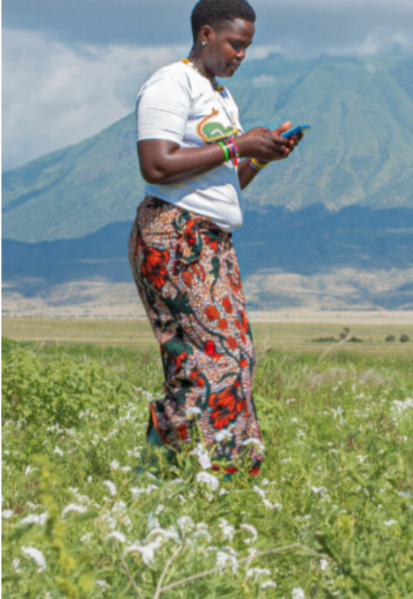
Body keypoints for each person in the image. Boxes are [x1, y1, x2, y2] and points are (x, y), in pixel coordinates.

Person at [129, 0, 302, 476]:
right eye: (235, 44)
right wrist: (239, 143)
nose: (241, 55)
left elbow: (225, 181)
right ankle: (191, 475)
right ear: (206, 34)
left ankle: (182, 475)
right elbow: (157, 164)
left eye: (247, 47)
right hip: (174, 235)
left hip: (212, 240)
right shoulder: (172, 82)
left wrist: (262, 157)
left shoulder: (222, 98)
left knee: (234, 357)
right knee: (211, 360)